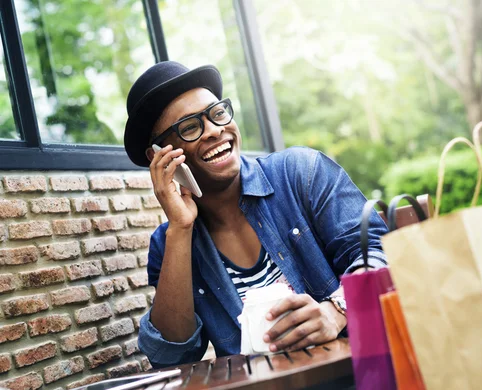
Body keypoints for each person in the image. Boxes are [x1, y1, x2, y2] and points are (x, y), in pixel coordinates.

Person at [123, 61, 388, 368]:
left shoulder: (301, 173)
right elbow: (173, 356)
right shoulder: (170, 244)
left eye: (217, 113)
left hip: (360, 375)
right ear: (159, 155)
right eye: (191, 127)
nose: (215, 130)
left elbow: (379, 255)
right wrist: (181, 228)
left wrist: (336, 311)